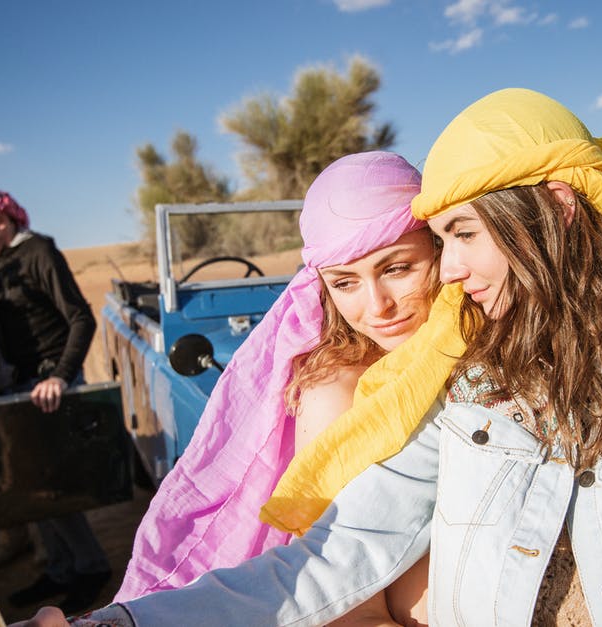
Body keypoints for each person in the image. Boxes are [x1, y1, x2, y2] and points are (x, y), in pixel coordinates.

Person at [0, 88, 602, 626]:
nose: (449, 270)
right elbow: (331, 555)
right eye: (443, 238)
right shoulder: (478, 378)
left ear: (559, 209)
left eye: (457, 235)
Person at [113, 151, 442, 625]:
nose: (378, 306)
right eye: (345, 282)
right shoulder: (340, 392)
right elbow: (348, 604)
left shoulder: (468, 355)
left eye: (397, 268)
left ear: (438, 248)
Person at [0, 185, 114, 614]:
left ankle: (91, 568)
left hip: (48, 385)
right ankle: (58, 570)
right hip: (18, 387)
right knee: (30, 484)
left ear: (0, 219)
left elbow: (80, 317)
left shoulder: (39, 252)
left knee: (51, 484)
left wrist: (60, 376)